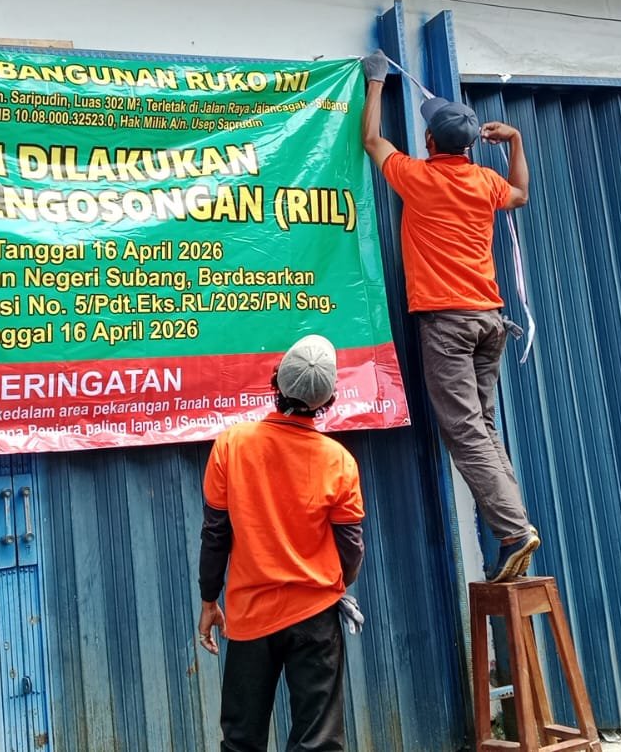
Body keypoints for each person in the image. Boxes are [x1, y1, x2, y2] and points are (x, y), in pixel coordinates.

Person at [357, 49, 538, 582]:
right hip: (489, 320)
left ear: (431, 142)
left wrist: (374, 81)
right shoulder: (484, 182)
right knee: (482, 427)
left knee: (465, 432)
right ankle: (517, 527)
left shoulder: (418, 177)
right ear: (469, 145)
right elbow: (521, 194)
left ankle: (514, 531)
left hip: (449, 324)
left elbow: (371, 140)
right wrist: (517, 141)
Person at [197, 335, 365, 752]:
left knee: (241, 741)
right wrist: (335, 586)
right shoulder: (339, 461)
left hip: (251, 614)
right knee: (317, 742)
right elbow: (351, 549)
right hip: (316, 616)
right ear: (329, 400)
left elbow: (215, 534)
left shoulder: (232, 446)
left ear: (276, 381)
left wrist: (209, 600)